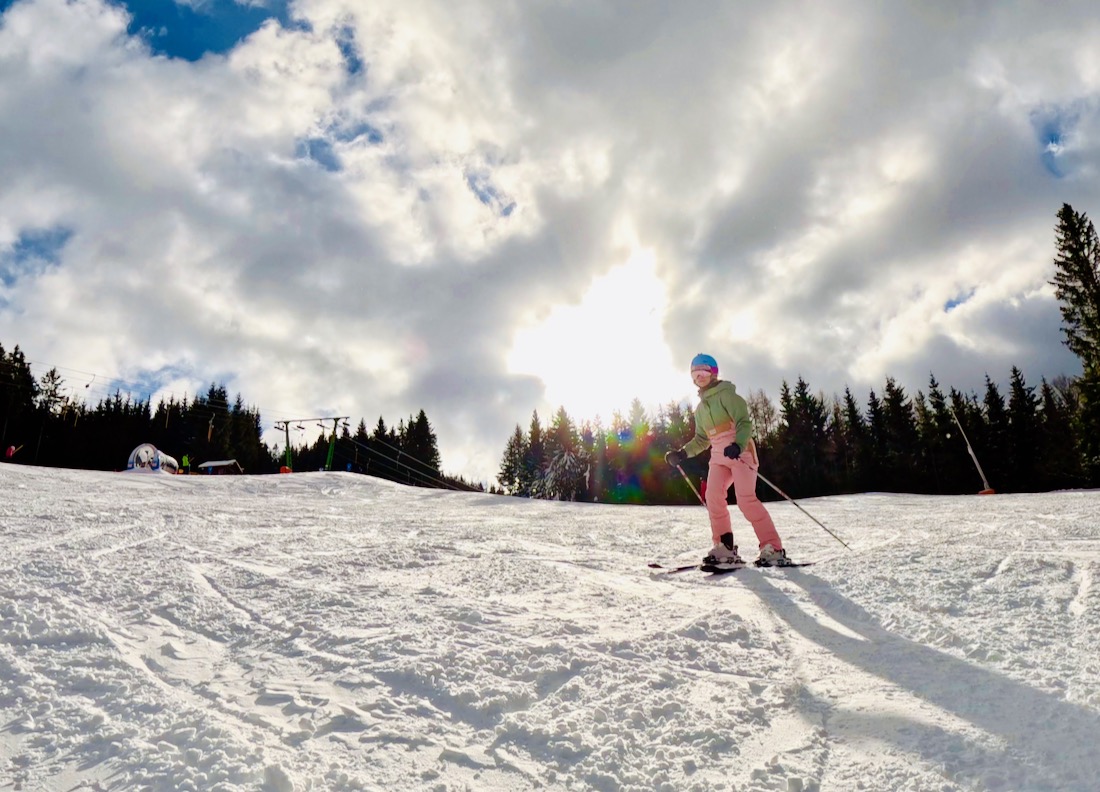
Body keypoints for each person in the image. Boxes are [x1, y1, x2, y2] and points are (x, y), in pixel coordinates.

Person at [665, 353, 789, 566]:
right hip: (719, 458)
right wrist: (683, 453)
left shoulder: (729, 397)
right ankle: (725, 548)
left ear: (714, 373)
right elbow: (702, 439)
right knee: (713, 497)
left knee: (745, 500)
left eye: (704, 370)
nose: (699, 376)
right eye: (695, 373)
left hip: (741, 454)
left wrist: (738, 445)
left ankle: (773, 548)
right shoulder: (701, 409)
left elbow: (744, 423)